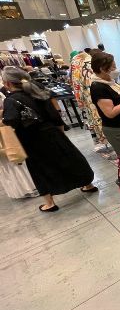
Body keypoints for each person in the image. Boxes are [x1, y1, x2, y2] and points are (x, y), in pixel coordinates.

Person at [1, 66, 97, 212]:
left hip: (32, 141)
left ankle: (50, 203)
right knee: (70, 159)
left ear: (8, 83)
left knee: (40, 169)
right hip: (52, 132)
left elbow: (11, 121)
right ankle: (88, 185)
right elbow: (54, 114)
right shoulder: (37, 91)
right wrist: (60, 132)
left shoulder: (11, 100)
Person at [89, 50, 120, 155]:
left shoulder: (110, 82)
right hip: (117, 130)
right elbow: (110, 113)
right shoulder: (98, 87)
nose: (115, 70)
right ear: (102, 69)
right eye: (113, 67)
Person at [0, 89, 38, 199]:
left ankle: (27, 188)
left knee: (13, 158)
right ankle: (27, 188)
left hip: (4, 131)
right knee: (11, 160)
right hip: (4, 130)